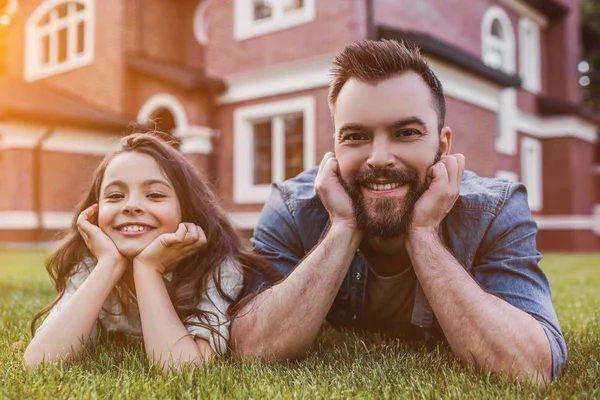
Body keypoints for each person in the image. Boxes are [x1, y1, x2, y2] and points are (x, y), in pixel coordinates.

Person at [230, 39, 567, 383]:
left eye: (406, 133)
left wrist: (423, 234)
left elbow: (532, 368)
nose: (378, 157)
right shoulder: (292, 207)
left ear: (442, 145)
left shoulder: (494, 209)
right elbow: (252, 346)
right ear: (335, 148)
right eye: (356, 136)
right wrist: (343, 226)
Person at [24, 132, 277, 369]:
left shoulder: (218, 268)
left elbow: (185, 369)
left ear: (186, 209)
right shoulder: (93, 263)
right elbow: (40, 362)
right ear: (95, 209)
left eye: (155, 194)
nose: (131, 206)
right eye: (114, 196)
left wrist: (148, 269)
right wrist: (109, 264)